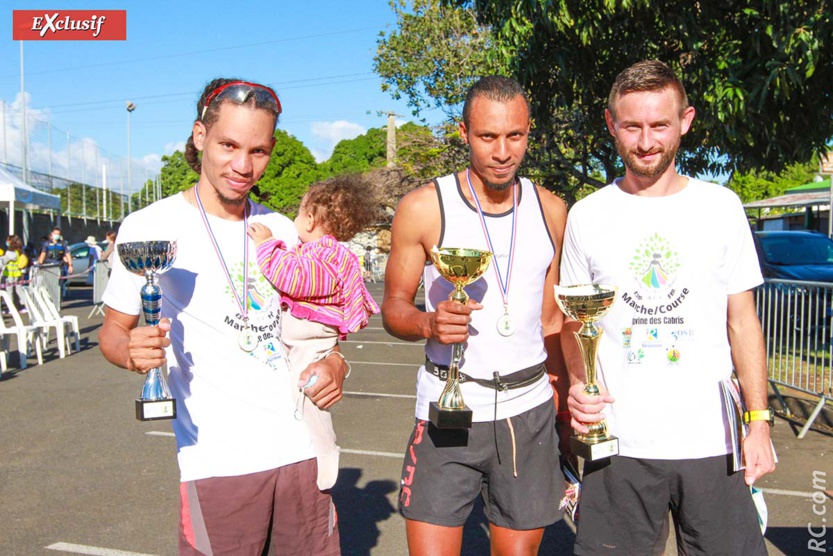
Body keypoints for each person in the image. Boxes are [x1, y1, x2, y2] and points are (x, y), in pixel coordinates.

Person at [99, 78, 348, 556]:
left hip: (303, 452)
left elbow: (314, 326)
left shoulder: (281, 229)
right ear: (200, 136)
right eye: (228, 146)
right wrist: (129, 352)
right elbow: (113, 330)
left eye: (258, 151)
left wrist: (336, 362)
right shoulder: (150, 227)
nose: (242, 165)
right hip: (217, 462)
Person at [560, 60, 775, 555]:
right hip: (619, 444)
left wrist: (759, 421)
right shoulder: (587, 215)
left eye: (659, 125)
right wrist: (579, 384)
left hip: (714, 442)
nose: (645, 141)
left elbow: (742, 321)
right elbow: (574, 321)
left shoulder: (721, 207)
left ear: (685, 121)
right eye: (631, 126)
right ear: (611, 124)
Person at [381, 75, 570, 555]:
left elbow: (552, 323)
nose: (502, 152)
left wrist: (567, 410)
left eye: (515, 136)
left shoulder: (552, 210)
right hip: (449, 409)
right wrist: (427, 323)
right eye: (488, 136)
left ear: (529, 131)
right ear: (463, 132)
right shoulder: (424, 207)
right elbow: (393, 307)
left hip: (527, 410)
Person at [247, 174, 379, 491]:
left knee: (306, 394)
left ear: (309, 219)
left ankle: (325, 450)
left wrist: (267, 245)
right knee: (294, 392)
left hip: (311, 338)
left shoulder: (327, 255)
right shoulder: (319, 251)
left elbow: (293, 278)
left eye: (298, 211)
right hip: (303, 337)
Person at [37, 226, 73, 298]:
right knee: (49, 284)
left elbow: (68, 254)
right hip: (49, 266)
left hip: (59, 266)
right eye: (55, 234)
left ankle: (59, 299)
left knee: (59, 284)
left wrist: (70, 265)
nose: (56, 235)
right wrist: (40, 264)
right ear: (52, 234)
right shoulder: (47, 244)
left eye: (58, 234)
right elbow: (43, 254)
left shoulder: (63, 244)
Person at [1, 235, 27, 312]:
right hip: (17, 274)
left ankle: (11, 308)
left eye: (8, 240)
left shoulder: (9, 253)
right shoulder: (19, 251)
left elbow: (3, 261)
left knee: (9, 292)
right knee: (19, 291)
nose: (6, 242)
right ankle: (26, 305)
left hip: (9, 275)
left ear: (11, 242)